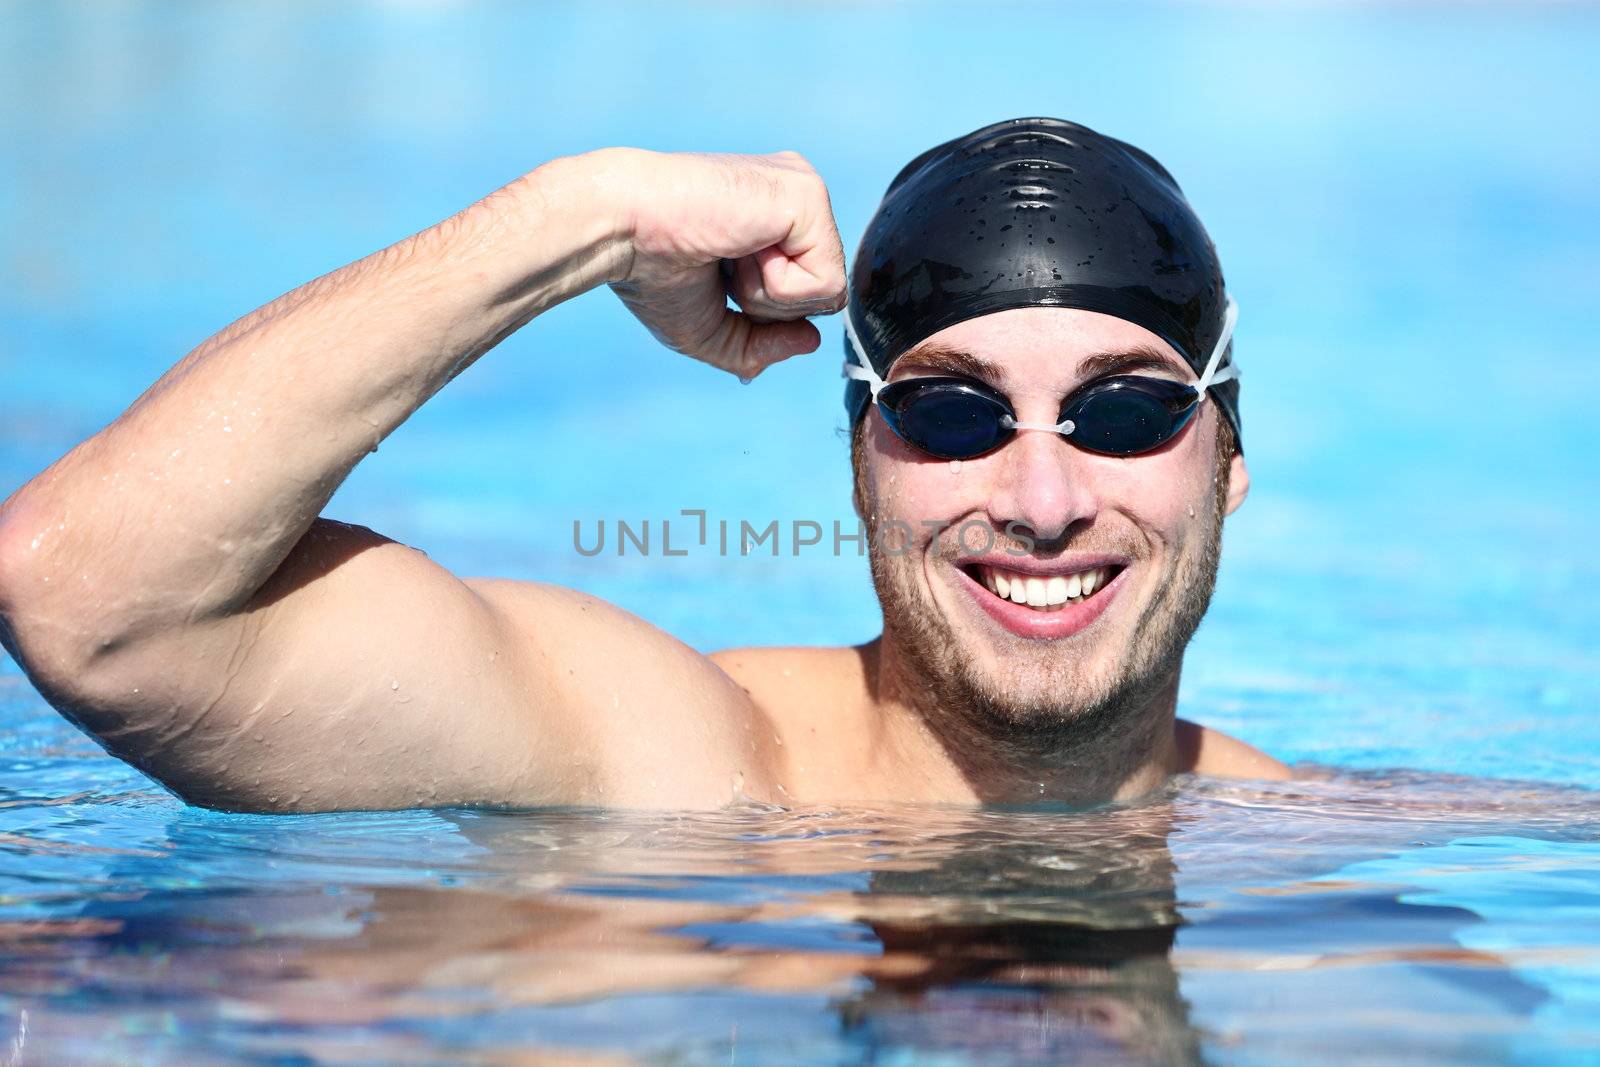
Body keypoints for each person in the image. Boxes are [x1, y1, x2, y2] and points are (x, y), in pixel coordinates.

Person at [0, 117, 1289, 813]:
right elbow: (95, 603)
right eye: (952, 417)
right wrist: (588, 216)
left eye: (1122, 415)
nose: (1044, 500)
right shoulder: (669, 767)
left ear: (1226, 461)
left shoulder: (1345, 866)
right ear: (863, 467)